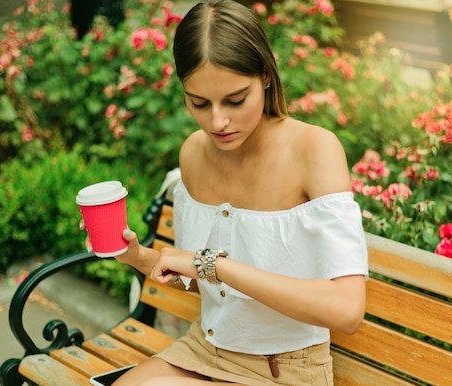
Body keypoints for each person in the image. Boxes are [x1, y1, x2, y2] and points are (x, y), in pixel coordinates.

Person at [92, 0, 368, 384]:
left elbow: (346, 311)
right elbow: (196, 278)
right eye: (199, 103)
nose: (218, 121)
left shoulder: (313, 150)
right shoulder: (193, 153)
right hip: (203, 349)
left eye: (236, 100)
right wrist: (138, 256)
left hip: (284, 368)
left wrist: (215, 266)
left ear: (266, 76)